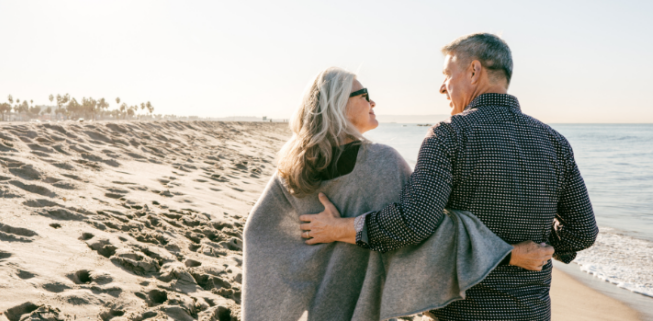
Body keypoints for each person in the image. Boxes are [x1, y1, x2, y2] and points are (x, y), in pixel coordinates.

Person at [300, 33, 598, 320]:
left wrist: (340, 228)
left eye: (447, 74)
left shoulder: (449, 136)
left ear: (473, 71)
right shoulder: (555, 142)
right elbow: (583, 231)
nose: (443, 87)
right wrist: (543, 248)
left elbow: (412, 224)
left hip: (461, 312)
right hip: (532, 311)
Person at [242, 66, 554, 321]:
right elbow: (425, 231)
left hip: (322, 309)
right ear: (337, 104)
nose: (373, 102)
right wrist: (510, 253)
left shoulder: (294, 167)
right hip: (364, 310)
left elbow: (258, 233)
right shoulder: (380, 162)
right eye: (364, 95)